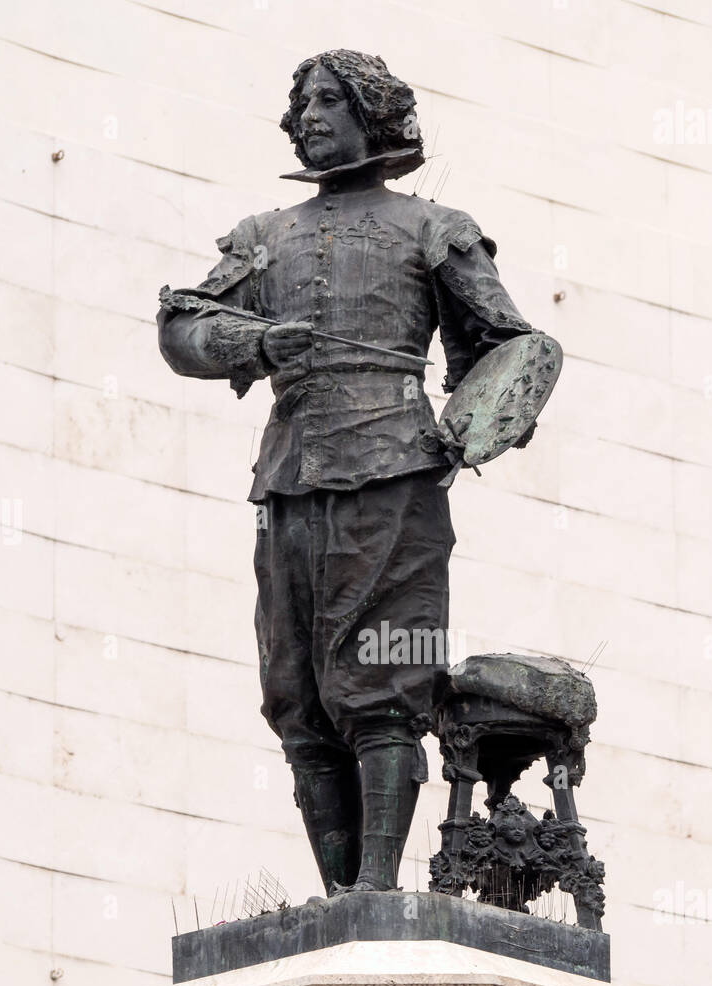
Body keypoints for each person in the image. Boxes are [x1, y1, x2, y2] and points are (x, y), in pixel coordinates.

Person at [158, 49, 534, 894]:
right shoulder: (264, 237)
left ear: (373, 113)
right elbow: (182, 327)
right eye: (302, 103)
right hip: (288, 478)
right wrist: (253, 342)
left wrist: (466, 432)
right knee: (293, 689)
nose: (310, 115)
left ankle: (375, 887)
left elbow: (509, 345)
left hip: (395, 474)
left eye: (329, 100)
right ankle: (337, 897)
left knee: (384, 678)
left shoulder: (434, 226)